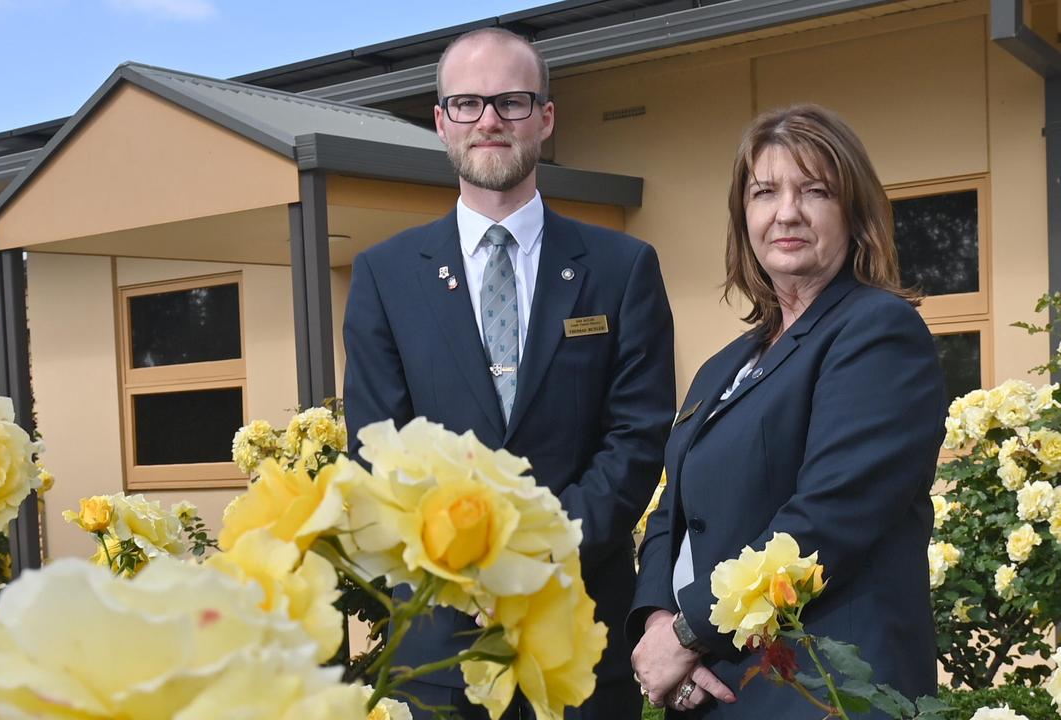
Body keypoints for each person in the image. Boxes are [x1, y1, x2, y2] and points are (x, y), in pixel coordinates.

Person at [342, 27, 676, 720]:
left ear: (545, 118)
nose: (488, 119)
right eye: (465, 103)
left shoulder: (621, 270)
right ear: (440, 123)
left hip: (579, 639)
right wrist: (468, 570)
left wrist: (536, 558)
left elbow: (637, 439)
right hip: (441, 647)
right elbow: (379, 450)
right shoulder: (384, 276)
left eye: (512, 101)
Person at [627, 104, 944, 717]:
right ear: (743, 217)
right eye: (764, 192)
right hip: (719, 689)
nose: (786, 212)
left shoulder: (877, 332)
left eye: (815, 191)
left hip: (822, 692)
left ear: (853, 214)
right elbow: (674, 508)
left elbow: (827, 518)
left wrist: (689, 633)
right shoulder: (726, 364)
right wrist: (658, 622)